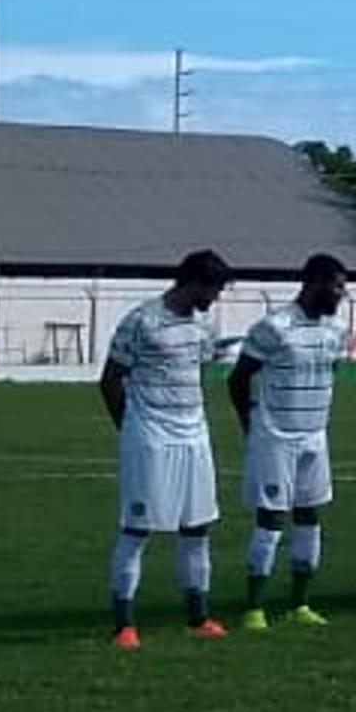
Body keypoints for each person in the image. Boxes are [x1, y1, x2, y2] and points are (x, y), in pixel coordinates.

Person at [100, 248, 233, 647]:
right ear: (195, 283)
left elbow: (197, 371)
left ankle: (199, 616)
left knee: (197, 529)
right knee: (137, 528)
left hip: (194, 437)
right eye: (213, 290)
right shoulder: (142, 321)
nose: (215, 300)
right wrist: (131, 428)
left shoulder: (203, 328)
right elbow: (110, 379)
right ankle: (124, 624)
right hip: (151, 438)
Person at [229, 252, 349, 628]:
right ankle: (254, 607)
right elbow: (239, 377)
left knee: (310, 516)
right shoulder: (275, 327)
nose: (340, 294)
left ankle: (300, 603)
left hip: (315, 435)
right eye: (336, 286)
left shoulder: (334, 330)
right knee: (271, 520)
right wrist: (250, 420)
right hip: (276, 437)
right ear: (312, 282)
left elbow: (328, 372)